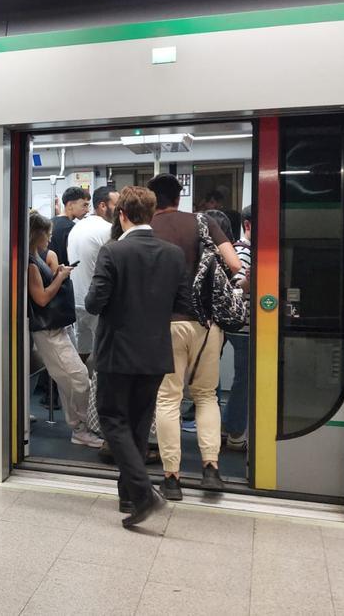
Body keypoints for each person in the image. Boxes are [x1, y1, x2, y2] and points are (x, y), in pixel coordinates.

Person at [84, 186, 189, 526]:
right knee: (139, 423)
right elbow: (182, 304)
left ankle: (143, 493)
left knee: (112, 418)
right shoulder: (173, 254)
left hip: (117, 351)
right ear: (152, 214)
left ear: (122, 215)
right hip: (156, 351)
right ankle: (128, 496)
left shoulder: (113, 252)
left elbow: (94, 303)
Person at [146, 174, 242, 500]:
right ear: (179, 196)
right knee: (206, 396)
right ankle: (211, 469)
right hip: (205, 323)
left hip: (163, 326)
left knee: (168, 398)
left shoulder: (148, 231)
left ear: (152, 199)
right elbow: (233, 263)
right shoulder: (202, 223)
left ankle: (171, 477)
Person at [27, 211, 103, 448]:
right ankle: (81, 427)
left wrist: (57, 274)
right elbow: (40, 298)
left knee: (68, 380)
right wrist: (59, 278)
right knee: (80, 379)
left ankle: (78, 426)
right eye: (46, 234)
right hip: (48, 331)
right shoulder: (31, 263)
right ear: (36, 235)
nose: (49, 238)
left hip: (55, 329)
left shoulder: (36, 257)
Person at [67, 185, 120, 365]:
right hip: (97, 302)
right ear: (103, 206)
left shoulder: (76, 227)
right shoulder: (107, 230)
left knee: (82, 350)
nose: (120, 209)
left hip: (76, 300)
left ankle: (82, 388)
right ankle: (100, 390)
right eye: (117, 204)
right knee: (106, 352)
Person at [223, 205, 253, 450]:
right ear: (247, 225)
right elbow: (234, 288)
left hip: (242, 326)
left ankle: (228, 428)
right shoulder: (243, 252)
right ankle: (235, 433)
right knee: (244, 379)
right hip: (242, 326)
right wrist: (248, 282)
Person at [48, 186, 90, 265]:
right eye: (84, 205)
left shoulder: (50, 223)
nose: (87, 210)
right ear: (70, 205)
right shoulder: (73, 228)